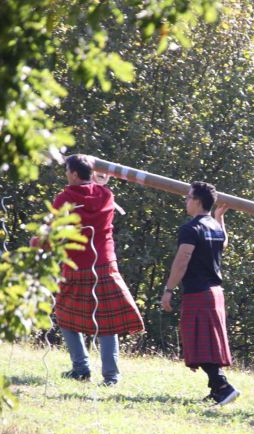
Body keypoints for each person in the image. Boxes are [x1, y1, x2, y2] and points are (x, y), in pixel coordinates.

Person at [41, 154, 144, 386]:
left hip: (76, 265)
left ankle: (81, 368)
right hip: (105, 265)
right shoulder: (106, 195)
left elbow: (51, 232)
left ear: (75, 174)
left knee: (65, 315)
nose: (66, 174)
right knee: (108, 321)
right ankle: (111, 376)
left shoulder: (65, 198)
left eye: (67, 170)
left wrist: (38, 245)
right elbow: (94, 192)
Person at [161, 181, 239, 406]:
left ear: (197, 201)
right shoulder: (214, 226)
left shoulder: (191, 228)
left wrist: (168, 290)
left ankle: (223, 386)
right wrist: (220, 218)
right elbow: (222, 243)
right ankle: (217, 389)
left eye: (188, 197)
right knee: (205, 343)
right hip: (214, 292)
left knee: (199, 342)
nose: (186, 201)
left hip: (198, 292)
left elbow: (182, 260)